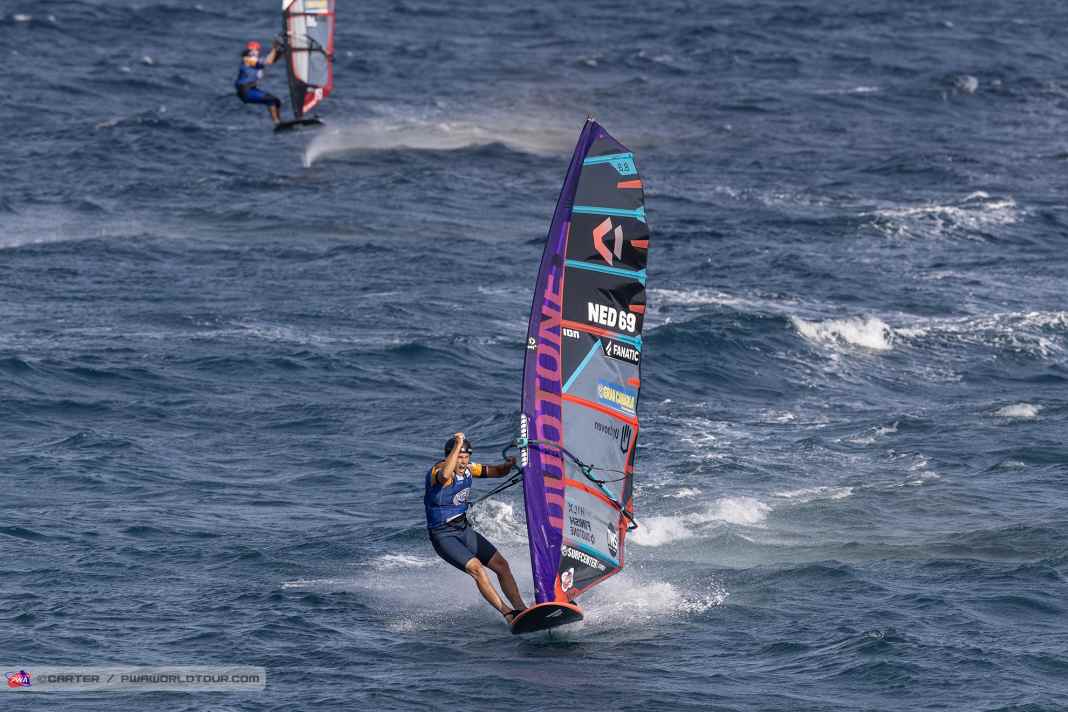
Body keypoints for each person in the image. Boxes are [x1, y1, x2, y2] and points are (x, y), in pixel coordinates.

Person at [425, 432, 527, 624]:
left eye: (466, 457)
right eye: (459, 457)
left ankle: (522, 609)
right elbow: (445, 474)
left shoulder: (470, 468)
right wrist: (458, 443)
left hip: (462, 530)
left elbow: (496, 472)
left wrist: (508, 466)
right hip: (443, 536)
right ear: (449, 456)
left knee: (502, 566)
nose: (463, 462)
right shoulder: (439, 472)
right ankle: (508, 613)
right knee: (477, 569)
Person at [235, 39, 284, 124]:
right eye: (253, 50)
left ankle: (280, 122)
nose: (255, 52)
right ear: (248, 52)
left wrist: (280, 50)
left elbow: (271, 60)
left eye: (257, 50)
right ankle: (277, 122)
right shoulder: (247, 60)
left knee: (277, 102)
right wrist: (274, 48)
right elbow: (268, 61)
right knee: (271, 100)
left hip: (252, 90)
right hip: (245, 91)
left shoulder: (255, 61)